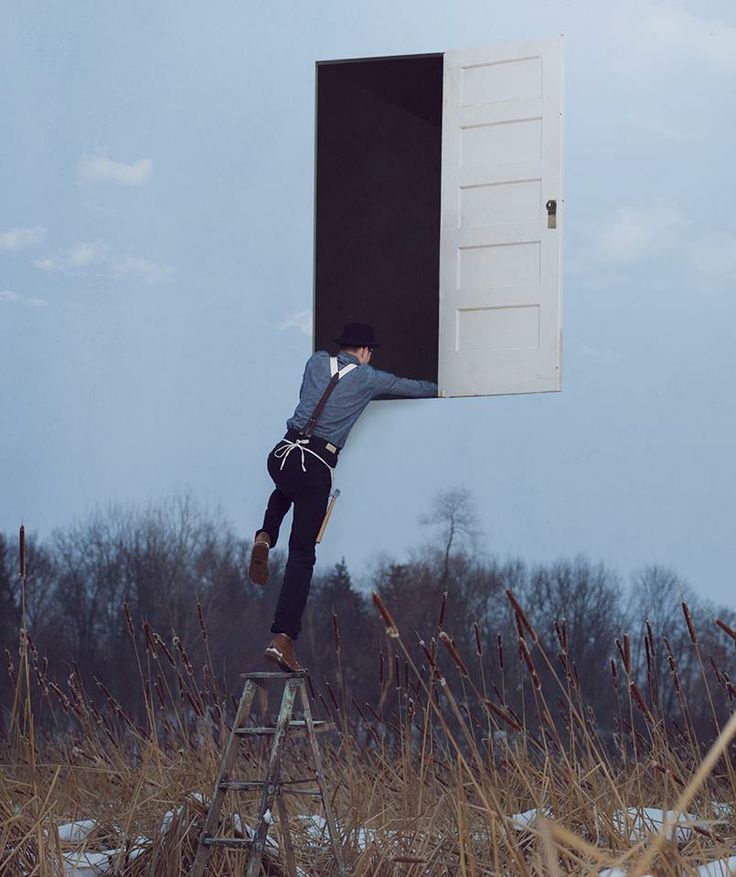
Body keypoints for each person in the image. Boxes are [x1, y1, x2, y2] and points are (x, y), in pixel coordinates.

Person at [249, 321, 437, 672]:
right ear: (365, 351)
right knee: (302, 555)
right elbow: (414, 388)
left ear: (342, 346)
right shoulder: (369, 378)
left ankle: (264, 535)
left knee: (285, 487)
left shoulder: (316, 362)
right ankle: (282, 639)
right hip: (316, 463)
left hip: (282, 453)